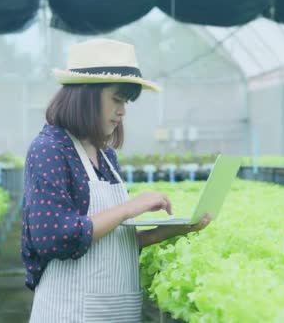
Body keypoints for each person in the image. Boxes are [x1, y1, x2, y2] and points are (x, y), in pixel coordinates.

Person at [21, 38, 211, 323]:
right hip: (69, 312)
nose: (122, 111)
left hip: (116, 312)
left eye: (126, 101)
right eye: (117, 99)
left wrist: (173, 230)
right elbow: (54, 237)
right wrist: (130, 208)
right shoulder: (50, 149)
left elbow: (112, 242)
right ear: (86, 94)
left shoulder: (105, 155)